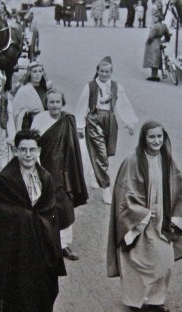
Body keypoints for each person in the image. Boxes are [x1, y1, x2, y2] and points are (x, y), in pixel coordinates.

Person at [0, 129, 66, 312]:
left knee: (43, 290)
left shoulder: (45, 177)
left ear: (39, 151)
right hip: (14, 248)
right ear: (15, 151)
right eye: (23, 150)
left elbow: (49, 211)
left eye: (32, 150)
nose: (28, 154)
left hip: (40, 246)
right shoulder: (5, 180)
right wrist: (25, 217)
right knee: (16, 288)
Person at [107, 121, 182, 312]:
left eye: (159, 137)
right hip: (139, 221)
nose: (156, 141)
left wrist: (174, 214)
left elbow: (177, 189)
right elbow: (124, 194)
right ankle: (135, 299)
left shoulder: (167, 162)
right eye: (152, 137)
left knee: (165, 261)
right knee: (137, 261)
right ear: (144, 139)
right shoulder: (132, 162)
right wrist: (142, 214)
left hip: (160, 221)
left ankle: (156, 301)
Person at [31, 89, 88, 261]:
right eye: (51, 102)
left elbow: (75, 148)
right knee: (43, 203)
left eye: (57, 102)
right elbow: (32, 144)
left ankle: (64, 245)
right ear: (46, 103)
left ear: (62, 103)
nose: (54, 105)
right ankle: (43, 242)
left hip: (64, 171)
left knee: (64, 206)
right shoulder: (39, 119)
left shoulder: (68, 121)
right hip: (44, 168)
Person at [74, 56, 139, 204]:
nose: (104, 74)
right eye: (101, 71)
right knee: (101, 155)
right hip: (94, 120)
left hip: (110, 120)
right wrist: (79, 125)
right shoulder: (90, 86)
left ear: (111, 72)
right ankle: (106, 189)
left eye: (107, 72)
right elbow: (83, 105)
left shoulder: (115, 87)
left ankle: (94, 172)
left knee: (106, 153)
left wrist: (129, 122)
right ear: (97, 71)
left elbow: (122, 105)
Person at [13, 61, 51, 131]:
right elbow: (16, 112)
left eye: (40, 71)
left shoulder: (45, 90)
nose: (37, 74)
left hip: (43, 126)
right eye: (35, 72)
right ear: (30, 73)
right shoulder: (23, 91)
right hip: (29, 127)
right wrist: (29, 111)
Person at [143, 14, 171, 81]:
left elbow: (151, 36)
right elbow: (167, 35)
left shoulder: (155, 26)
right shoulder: (164, 26)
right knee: (158, 58)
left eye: (154, 17)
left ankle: (153, 76)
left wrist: (147, 42)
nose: (153, 19)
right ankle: (156, 75)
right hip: (159, 42)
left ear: (157, 18)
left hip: (154, 42)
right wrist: (165, 40)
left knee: (153, 58)